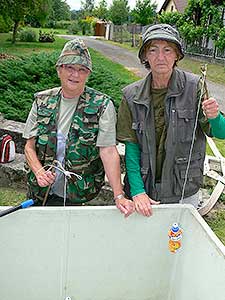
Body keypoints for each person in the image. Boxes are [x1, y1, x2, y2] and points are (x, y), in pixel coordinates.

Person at [117, 23, 225, 217]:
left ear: (177, 55)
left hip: (183, 189)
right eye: (153, 50)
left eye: (167, 50)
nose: (160, 57)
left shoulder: (195, 87)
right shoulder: (130, 95)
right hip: (144, 190)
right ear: (145, 56)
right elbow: (131, 147)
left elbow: (220, 133)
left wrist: (215, 117)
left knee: (177, 244)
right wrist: (137, 191)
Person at [23, 38, 134, 216]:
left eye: (82, 70)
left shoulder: (102, 105)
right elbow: (29, 146)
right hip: (40, 190)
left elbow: (108, 151)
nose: (75, 75)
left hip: (78, 194)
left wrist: (119, 195)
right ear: (59, 69)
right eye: (70, 68)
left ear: (88, 74)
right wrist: (38, 172)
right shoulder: (42, 101)